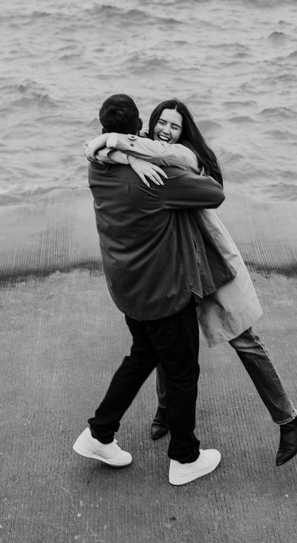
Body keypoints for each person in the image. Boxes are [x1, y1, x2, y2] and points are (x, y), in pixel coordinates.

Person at [85, 98, 297, 467]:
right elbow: (101, 148)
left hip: (206, 259)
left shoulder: (182, 159)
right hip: (176, 266)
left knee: (242, 338)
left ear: (185, 131)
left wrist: (130, 151)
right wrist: (131, 157)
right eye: (161, 122)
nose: (165, 130)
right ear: (146, 124)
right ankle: (165, 414)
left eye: (174, 126)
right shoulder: (139, 153)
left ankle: (288, 419)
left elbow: (205, 185)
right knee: (164, 345)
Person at [73, 93, 232, 486]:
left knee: (141, 356)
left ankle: (99, 433)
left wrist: (128, 154)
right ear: (139, 126)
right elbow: (214, 192)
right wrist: (148, 158)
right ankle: (184, 457)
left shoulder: (97, 167)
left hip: (126, 288)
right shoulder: (161, 180)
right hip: (164, 294)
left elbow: (101, 151)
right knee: (181, 373)